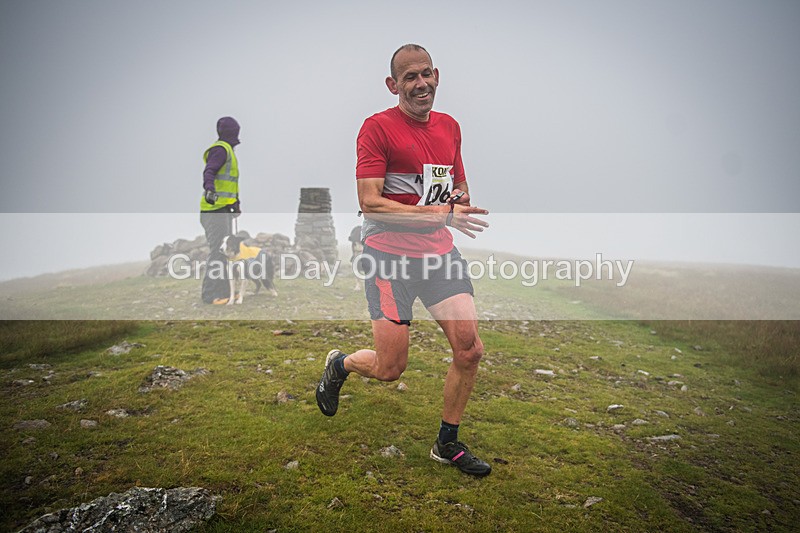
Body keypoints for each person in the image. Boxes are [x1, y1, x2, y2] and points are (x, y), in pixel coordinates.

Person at [316, 44, 492, 476]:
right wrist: (436, 213)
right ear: (393, 85)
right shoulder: (376, 129)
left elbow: (458, 187)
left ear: (437, 75)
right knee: (390, 368)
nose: (421, 84)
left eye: (426, 74)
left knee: (469, 351)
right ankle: (339, 364)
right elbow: (369, 204)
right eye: (410, 77)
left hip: (439, 256)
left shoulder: (450, 127)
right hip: (387, 260)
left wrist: (457, 205)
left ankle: (446, 443)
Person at [200, 116, 242, 304]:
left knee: (226, 253)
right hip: (213, 210)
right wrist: (209, 189)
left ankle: (226, 293)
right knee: (218, 252)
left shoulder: (228, 151)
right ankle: (211, 296)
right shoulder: (220, 150)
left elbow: (230, 183)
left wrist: (234, 204)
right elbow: (209, 171)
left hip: (223, 209)